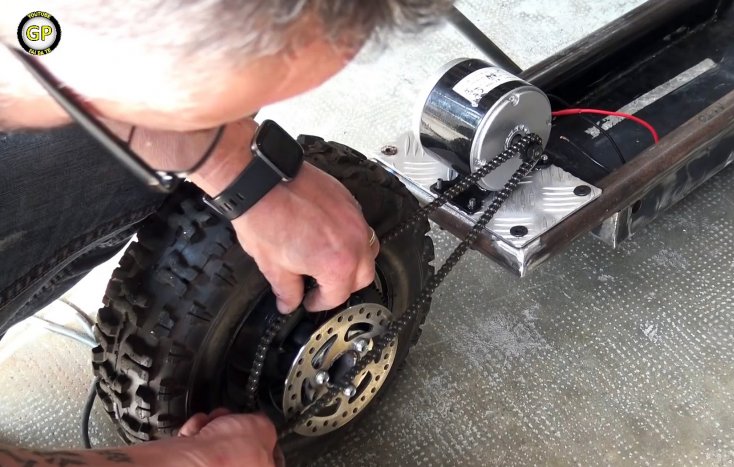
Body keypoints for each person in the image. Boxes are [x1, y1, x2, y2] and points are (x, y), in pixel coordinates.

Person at [0, 1, 452, 465]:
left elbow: (47, 40)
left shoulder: (40, 29)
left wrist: (235, 166)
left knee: (196, 92)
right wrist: (194, 463)